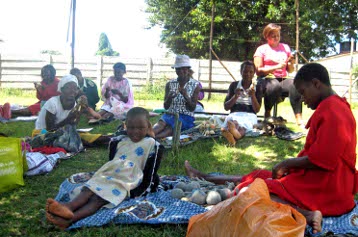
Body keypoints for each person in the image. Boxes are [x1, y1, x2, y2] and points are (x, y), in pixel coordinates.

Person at [184, 63, 357, 234]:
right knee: (258, 176)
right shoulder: (335, 106)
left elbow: (324, 158)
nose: (303, 100)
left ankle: (308, 214)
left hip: (328, 190)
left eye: (303, 92)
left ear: (316, 84)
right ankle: (205, 177)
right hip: (322, 181)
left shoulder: (333, 111)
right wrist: (289, 166)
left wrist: (287, 163)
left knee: (255, 192)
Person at [45, 107, 163, 230]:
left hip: (127, 181)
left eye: (141, 128)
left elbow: (151, 172)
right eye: (131, 127)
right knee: (89, 189)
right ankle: (68, 207)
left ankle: (70, 219)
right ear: (125, 125)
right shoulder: (120, 140)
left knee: (98, 199)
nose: (135, 132)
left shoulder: (152, 145)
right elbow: (112, 161)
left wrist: (137, 193)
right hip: (108, 174)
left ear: (148, 126)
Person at [253, 23, 303, 126]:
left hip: (283, 77)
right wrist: (276, 67)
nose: (276, 38)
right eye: (273, 36)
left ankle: (299, 118)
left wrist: (291, 63)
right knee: (274, 85)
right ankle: (267, 113)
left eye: (278, 35)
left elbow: (290, 70)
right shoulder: (261, 49)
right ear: (267, 36)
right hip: (266, 78)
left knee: (296, 84)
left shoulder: (285, 47)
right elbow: (258, 71)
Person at [153, 55, 200, 139]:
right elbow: (166, 106)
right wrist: (169, 98)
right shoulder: (170, 84)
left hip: (185, 116)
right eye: (178, 69)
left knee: (170, 129)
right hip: (170, 114)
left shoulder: (195, 85)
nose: (181, 71)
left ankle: (152, 139)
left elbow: (192, 108)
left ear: (188, 69)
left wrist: (186, 96)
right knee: (160, 125)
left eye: (184, 68)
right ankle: (145, 136)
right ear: (175, 70)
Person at [221, 60, 264, 145]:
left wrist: (253, 96)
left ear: (254, 73)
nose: (248, 74)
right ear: (241, 72)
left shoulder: (257, 87)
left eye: (251, 72)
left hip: (250, 114)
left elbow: (257, 110)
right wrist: (235, 96)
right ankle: (233, 135)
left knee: (244, 125)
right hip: (235, 113)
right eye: (245, 71)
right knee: (234, 122)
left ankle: (233, 136)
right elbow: (226, 107)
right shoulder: (234, 85)